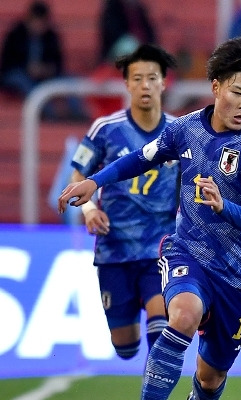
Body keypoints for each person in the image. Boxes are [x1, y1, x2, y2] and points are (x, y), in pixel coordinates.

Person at [58, 37, 241, 400]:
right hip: (189, 253)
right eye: (237, 92)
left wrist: (223, 205)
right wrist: (94, 183)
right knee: (183, 314)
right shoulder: (185, 128)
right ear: (216, 87)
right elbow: (140, 158)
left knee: (211, 376)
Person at [69, 43, 180, 361]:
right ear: (127, 84)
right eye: (138, 79)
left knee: (161, 334)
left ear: (163, 82)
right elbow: (76, 178)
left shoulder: (178, 132)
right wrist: (89, 210)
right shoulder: (106, 130)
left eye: (152, 78)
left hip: (161, 248)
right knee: (126, 348)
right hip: (115, 248)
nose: (145, 85)